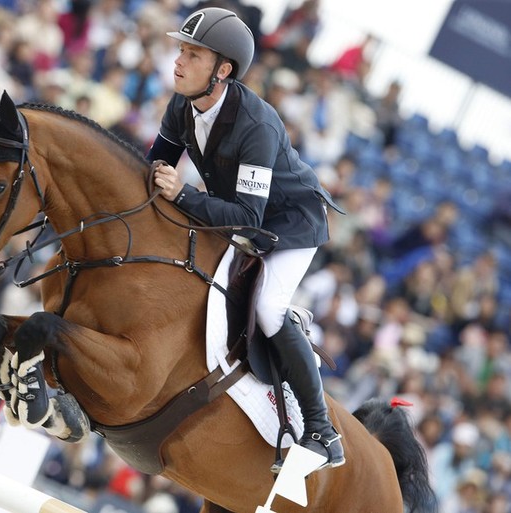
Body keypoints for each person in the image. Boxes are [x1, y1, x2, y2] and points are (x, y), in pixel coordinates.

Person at [145, 7, 344, 473]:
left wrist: (186, 194)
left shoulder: (256, 126)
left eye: (192, 55)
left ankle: (321, 432)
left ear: (222, 71)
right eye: (180, 50)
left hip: (290, 225)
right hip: (240, 214)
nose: (178, 61)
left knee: (268, 309)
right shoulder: (183, 104)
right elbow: (152, 171)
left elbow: (249, 221)